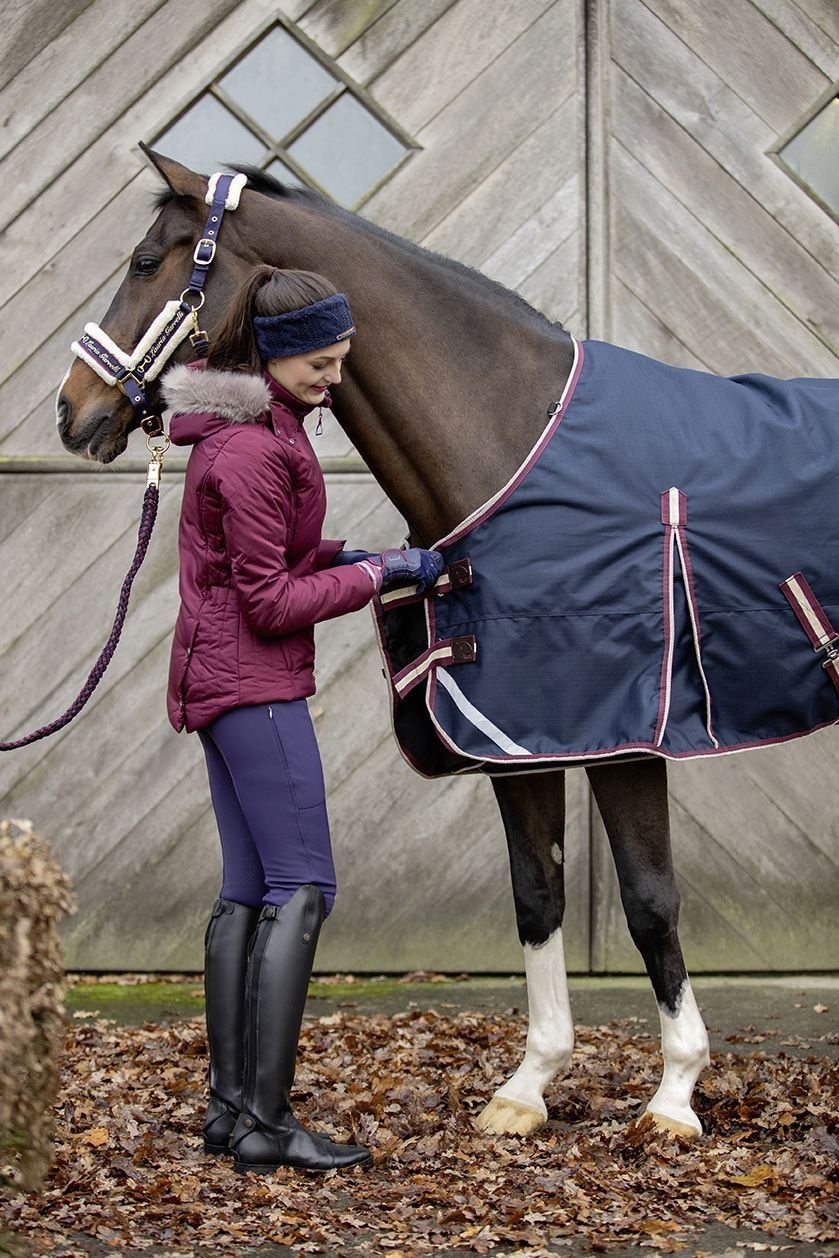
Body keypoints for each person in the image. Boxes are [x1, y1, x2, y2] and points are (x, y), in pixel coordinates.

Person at [159, 265, 443, 1174]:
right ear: (273, 355)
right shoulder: (250, 450)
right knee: (304, 887)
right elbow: (271, 601)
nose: (335, 378)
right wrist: (379, 576)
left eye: (341, 359)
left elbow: (266, 553)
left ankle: (230, 1113)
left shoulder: (260, 427)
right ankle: (268, 1122)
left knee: (249, 888)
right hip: (252, 684)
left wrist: (357, 555)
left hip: (224, 680)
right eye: (321, 363)